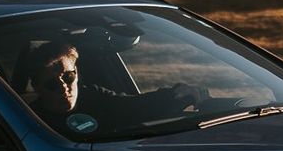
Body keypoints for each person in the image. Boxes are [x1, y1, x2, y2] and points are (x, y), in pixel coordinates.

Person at [24, 34, 194, 134]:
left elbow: (135, 105)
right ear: (37, 87)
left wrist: (177, 95)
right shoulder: (31, 123)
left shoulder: (93, 96)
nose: (63, 87)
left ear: (76, 73)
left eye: (68, 77)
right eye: (52, 84)